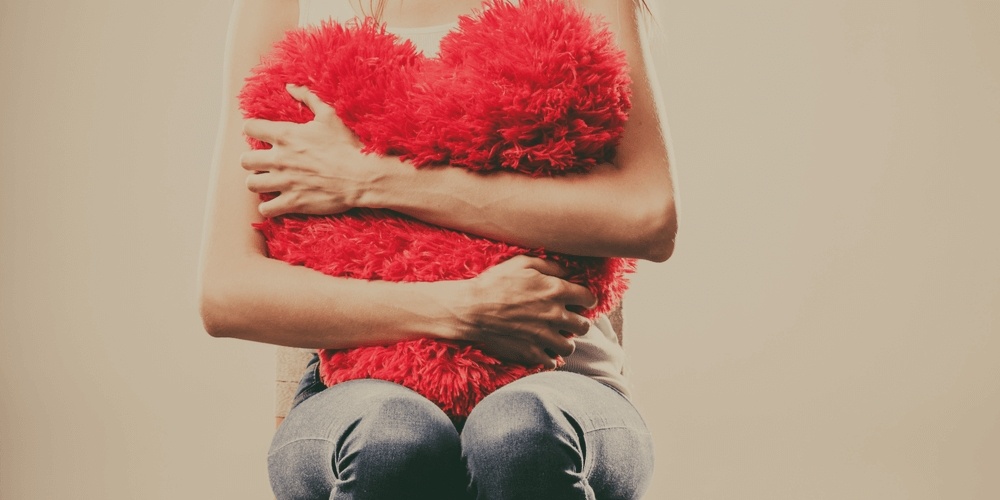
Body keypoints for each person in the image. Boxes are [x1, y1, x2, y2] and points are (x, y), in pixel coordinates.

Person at [198, 0, 677, 498]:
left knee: (520, 434)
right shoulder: (286, 9)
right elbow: (229, 291)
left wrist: (368, 179)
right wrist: (461, 309)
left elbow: (648, 217)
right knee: (390, 440)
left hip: (567, 380)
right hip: (351, 390)